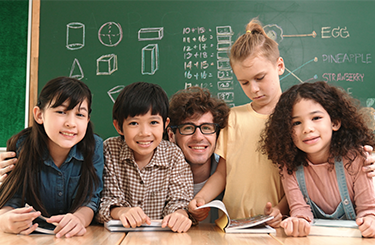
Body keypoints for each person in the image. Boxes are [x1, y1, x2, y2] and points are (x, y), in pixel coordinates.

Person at [188, 17, 375, 228]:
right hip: (233, 223)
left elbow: (301, 175)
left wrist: (280, 209)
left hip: (283, 224)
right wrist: (201, 198)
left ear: (279, 66)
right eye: (244, 82)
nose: (254, 89)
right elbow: (222, 172)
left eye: (260, 78)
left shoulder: (297, 119)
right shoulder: (233, 118)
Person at [260, 81, 375, 237]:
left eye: (316, 118)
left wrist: (370, 221)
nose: (307, 128)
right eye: (296, 123)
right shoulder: (288, 165)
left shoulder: (356, 158)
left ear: (334, 122)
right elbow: (299, 210)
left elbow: (368, 210)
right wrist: (298, 222)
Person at [0, 77, 103, 238]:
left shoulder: (94, 147)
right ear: (39, 115)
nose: (71, 123)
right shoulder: (21, 146)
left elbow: (91, 200)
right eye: (61, 112)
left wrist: (79, 218)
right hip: (29, 237)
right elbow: (11, 200)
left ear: (88, 120)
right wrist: (5, 220)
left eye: (80, 115)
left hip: (74, 238)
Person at [96, 82, 194, 233]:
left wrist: (179, 215)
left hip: (163, 239)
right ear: (119, 127)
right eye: (134, 123)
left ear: (165, 124)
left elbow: (179, 201)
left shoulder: (173, 155)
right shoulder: (109, 150)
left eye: (153, 122)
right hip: (119, 238)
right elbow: (105, 200)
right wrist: (122, 212)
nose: (145, 133)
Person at [167, 86, 230, 223]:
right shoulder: (157, 177)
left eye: (207, 128)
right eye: (188, 128)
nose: (198, 136)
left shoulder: (231, 176)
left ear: (217, 135)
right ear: (171, 135)